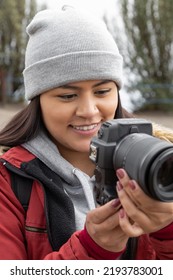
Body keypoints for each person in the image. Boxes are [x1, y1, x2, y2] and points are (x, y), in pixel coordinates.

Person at [0, 6, 173, 260]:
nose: (89, 111)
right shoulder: (9, 182)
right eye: (68, 95)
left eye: (102, 91)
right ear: (38, 100)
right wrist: (91, 250)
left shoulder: (162, 166)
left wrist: (167, 231)